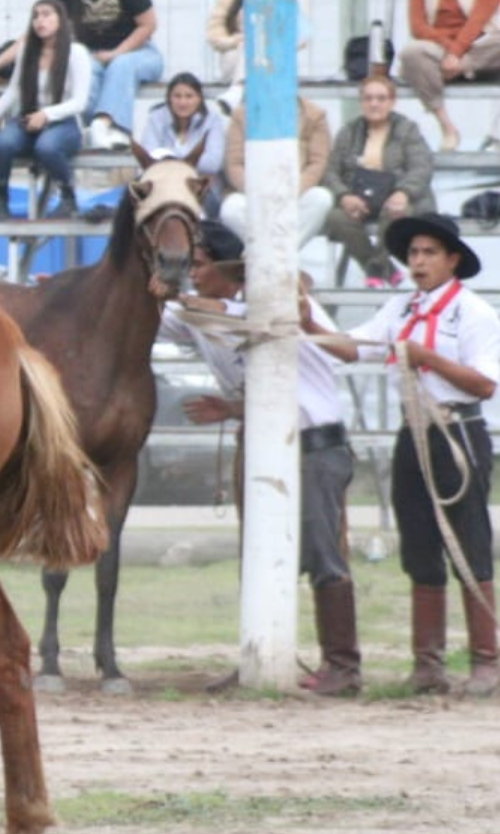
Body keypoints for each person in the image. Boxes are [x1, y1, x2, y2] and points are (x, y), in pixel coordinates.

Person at [159, 221, 362, 696]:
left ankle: (344, 665)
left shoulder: (281, 308)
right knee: (261, 553)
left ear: (229, 271)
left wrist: (308, 321)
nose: (192, 273)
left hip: (314, 443)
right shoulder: (204, 315)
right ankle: (264, 652)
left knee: (322, 552)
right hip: (267, 441)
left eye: (200, 264)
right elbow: (168, 313)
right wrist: (232, 408)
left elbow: (348, 350)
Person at [304, 213, 499, 698]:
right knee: (418, 547)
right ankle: (427, 665)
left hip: (456, 431)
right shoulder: (400, 309)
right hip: (412, 434)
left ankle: (487, 661)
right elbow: (354, 349)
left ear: (452, 260)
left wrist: (426, 357)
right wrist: (307, 319)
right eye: (413, 254)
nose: (418, 262)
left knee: (469, 543)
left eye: (429, 253)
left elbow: (483, 383)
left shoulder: (474, 313)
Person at [0, 0, 93, 219]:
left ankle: (68, 197)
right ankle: (1, 199)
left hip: (63, 122)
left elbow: (80, 102)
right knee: (2, 143)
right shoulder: (26, 50)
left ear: (61, 20)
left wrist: (46, 114)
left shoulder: (76, 52)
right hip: (28, 118)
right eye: (36, 16)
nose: (40, 20)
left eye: (47, 14)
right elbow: (14, 90)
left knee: (47, 147)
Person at [322, 75, 435, 287]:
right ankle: (383, 267)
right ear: (361, 101)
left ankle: (375, 268)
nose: (374, 104)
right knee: (335, 217)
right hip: (360, 197)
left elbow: (421, 167)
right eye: (368, 98)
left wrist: (403, 192)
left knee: (395, 211)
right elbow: (330, 171)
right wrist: (344, 196)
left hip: (398, 196)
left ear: (392, 102)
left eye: (381, 98)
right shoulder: (349, 131)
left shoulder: (407, 129)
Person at [396, 0, 500, 152]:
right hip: (440, 49)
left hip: (479, 48)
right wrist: (449, 50)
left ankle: (462, 68)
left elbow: (477, 22)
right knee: (412, 52)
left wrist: (457, 55)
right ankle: (448, 128)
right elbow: (418, 27)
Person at [53, 0, 162, 143]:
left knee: (122, 65)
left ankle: (110, 126)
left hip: (139, 52)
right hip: (96, 55)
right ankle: (90, 129)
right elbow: (48, 23)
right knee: (85, 67)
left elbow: (148, 25)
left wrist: (116, 53)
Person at [220, 96, 333, 247]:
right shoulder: (241, 115)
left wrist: (290, 193)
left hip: (295, 192)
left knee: (321, 198)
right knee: (231, 209)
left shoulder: (314, 115)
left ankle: (283, 250)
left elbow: (317, 162)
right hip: (255, 193)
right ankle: (268, 249)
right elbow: (234, 163)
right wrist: (258, 193)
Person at [134, 73, 229, 210]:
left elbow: (213, 163)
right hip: (162, 185)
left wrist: (168, 156)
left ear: (199, 98)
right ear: (169, 98)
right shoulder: (156, 118)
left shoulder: (212, 120)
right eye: (177, 96)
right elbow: (149, 157)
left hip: (200, 189)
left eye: (189, 96)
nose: (182, 102)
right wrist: (190, 159)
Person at [205, 0, 260, 102]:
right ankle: (239, 87)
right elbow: (214, 34)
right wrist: (235, 40)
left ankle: (237, 91)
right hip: (235, 58)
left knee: (254, 45)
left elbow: (301, 37)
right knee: (242, 48)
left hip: (273, 61)